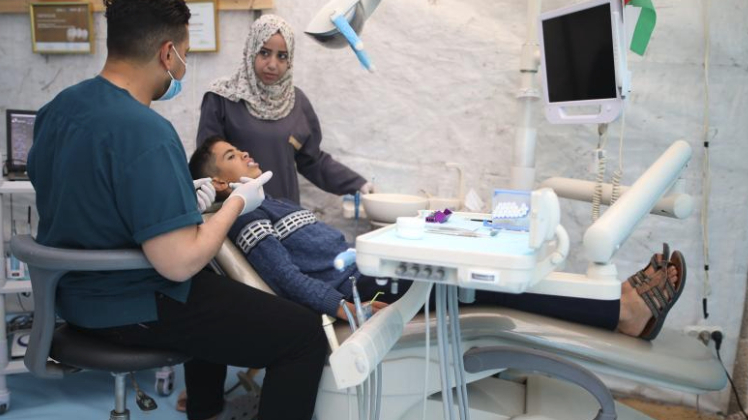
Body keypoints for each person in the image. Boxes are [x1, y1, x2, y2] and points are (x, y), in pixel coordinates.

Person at [26, 2, 328, 420]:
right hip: (128, 306)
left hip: (68, 297)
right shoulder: (146, 132)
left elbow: (90, 197)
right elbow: (179, 262)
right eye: (185, 53)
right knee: (304, 335)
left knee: (216, 292)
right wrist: (237, 202)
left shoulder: (56, 110)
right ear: (168, 53)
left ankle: (203, 414)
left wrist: (184, 195)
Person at [189, 136, 688, 340]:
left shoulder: (273, 203)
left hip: (367, 274)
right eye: (232, 156)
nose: (246, 155)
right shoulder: (245, 217)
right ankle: (620, 312)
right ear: (220, 182)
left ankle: (610, 299)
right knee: (488, 280)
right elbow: (284, 279)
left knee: (487, 251)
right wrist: (346, 309)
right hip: (364, 291)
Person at [196, 14, 372, 203]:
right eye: (264, 52)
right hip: (240, 213)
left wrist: (357, 185)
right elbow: (208, 167)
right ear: (251, 50)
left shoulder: (295, 102)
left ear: (290, 60)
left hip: (286, 213)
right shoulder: (222, 98)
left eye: (282, 56)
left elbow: (312, 161)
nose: (272, 65)